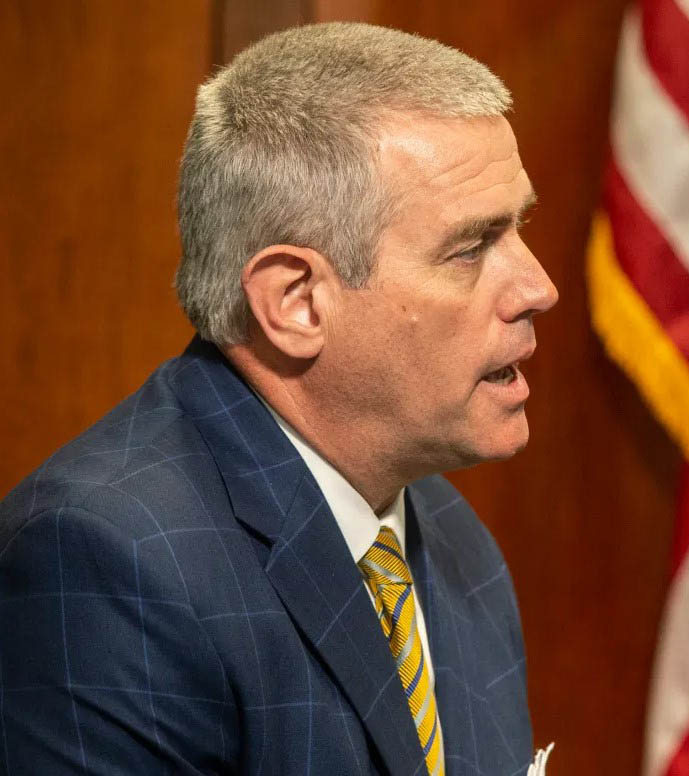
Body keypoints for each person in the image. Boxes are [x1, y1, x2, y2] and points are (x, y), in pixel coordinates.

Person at [0, 22, 557, 776]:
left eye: (519, 227)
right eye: (470, 249)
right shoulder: (105, 563)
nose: (537, 288)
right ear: (296, 302)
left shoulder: (454, 540)